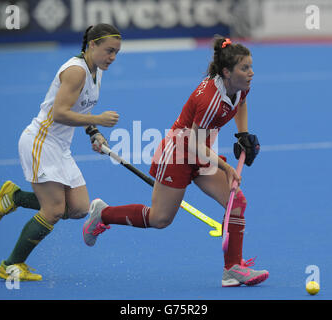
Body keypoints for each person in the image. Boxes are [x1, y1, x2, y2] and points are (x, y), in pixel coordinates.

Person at [83, 36, 269, 287]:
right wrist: (225, 167)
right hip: (178, 153)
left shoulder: (239, 85)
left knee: (236, 202)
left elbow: (241, 102)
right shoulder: (210, 100)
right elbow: (192, 143)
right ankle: (102, 214)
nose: (251, 73)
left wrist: (242, 134)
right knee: (160, 218)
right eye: (245, 68)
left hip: (200, 150)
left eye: (250, 66)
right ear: (227, 72)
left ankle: (232, 269)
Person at [0, 23, 121, 281]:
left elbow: (81, 109)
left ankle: (15, 197)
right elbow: (60, 113)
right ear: (91, 45)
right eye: (108, 51)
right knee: (52, 210)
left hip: (60, 147)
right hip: (40, 142)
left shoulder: (96, 70)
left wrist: (93, 131)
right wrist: (98, 118)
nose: (112, 57)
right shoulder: (76, 71)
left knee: (79, 208)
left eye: (116, 52)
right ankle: (11, 265)